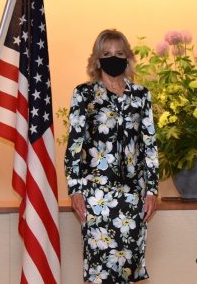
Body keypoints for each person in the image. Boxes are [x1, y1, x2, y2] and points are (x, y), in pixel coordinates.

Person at [64, 29, 159, 283]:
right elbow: (74, 145)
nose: (113, 58)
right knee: (100, 271)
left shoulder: (141, 95)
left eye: (119, 53)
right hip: (96, 197)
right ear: (97, 59)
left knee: (128, 269)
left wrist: (152, 190)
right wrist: (75, 189)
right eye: (106, 53)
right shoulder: (83, 94)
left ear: (128, 57)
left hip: (133, 195)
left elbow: (149, 145)